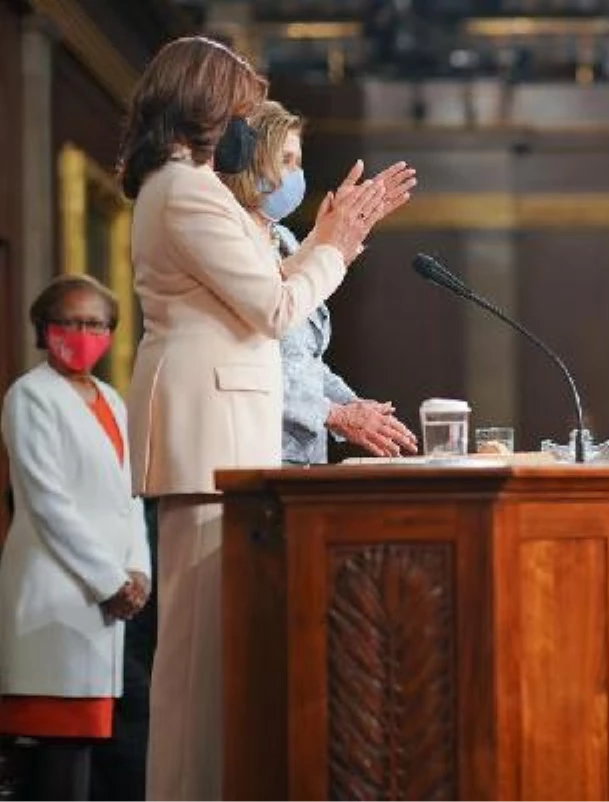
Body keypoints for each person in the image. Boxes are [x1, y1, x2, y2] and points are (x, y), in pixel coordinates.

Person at [117, 36, 417, 802]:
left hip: (225, 433)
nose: (251, 123)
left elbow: (270, 288)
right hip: (207, 436)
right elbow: (277, 307)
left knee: (218, 665)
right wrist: (338, 248)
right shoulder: (185, 189)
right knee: (195, 671)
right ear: (206, 103)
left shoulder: (196, 189)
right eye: (242, 106)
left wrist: (325, 238)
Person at [0, 275, 151, 802]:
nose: (82, 333)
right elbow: (47, 502)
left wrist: (138, 572)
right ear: (44, 330)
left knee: (90, 751)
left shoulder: (111, 398)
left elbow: (129, 494)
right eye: (70, 322)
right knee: (57, 756)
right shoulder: (30, 395)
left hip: (106, 601)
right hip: (58, 596)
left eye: (96, 324)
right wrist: (110, 579)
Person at [221, 100, 418, 464]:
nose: (296, 174)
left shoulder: (286, 242)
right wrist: (335, 415)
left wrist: (351, 405)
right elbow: (247, 362)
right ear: (249, 163)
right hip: (251, 451)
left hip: (303, 456)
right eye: (285, 161)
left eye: (298, 161)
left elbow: (304, 362)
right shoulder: (229, 242)